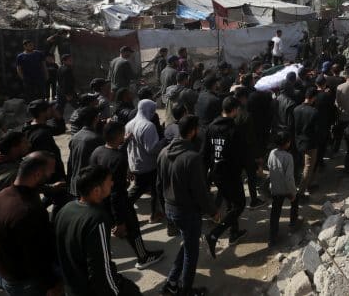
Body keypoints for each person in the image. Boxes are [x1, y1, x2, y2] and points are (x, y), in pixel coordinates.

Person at [156, 116, 219, 296]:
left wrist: (165, 209)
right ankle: (185, 290)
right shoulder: (192, 158)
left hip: (171, 208)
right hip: (187, 212)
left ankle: (171, 282)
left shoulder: (163, 153)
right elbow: (200, 191)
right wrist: (213, 211)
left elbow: (158, 185)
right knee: (192, 254)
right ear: (192, 131)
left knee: (187, 244)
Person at [55, 165, 142, 296]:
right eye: (109, 182)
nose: (112, 184)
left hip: (72, 286)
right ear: (96, 191)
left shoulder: (65, 209)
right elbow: (100, 269)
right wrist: (117, 292)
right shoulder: (97, 219)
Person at [0, 151, 63, 296]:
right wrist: (51, 285)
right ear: (37, 174)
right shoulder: (27, 211)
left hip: (5, 272)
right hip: (26, 283)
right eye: (50, 170)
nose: (53, 173)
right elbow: (36, 256)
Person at [90, 120, 163, 270]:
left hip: (101, 202)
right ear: (118, 136)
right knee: (133, 229)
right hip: (119, 203)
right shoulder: (118, 159)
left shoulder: (98, 151)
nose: (125, 135)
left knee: (127, 230)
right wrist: (119, 221)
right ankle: (143, 257)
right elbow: (116, 194)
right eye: (123, 134)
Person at [203, 97, 248, 258]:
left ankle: (234, 233)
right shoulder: (234, 130)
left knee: (230, 203)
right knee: (240, 205)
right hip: (230, 175)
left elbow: (205, 153)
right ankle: (214, 234)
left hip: (216, 174)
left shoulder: (210, 128)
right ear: (234, 110)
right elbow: (239, 156)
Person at [22, 100, 70, 212]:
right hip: (49, 173)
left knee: (50, 196)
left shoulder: (32, 127)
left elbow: (58, 130)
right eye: (49, 109)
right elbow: (47, 159)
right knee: (60, 200)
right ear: (42, 112)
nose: (52, 110)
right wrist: (56, 176)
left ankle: (36, 212)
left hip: (43, 172)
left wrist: (57, 117)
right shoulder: (41, 134)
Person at [125, 99, 163, 223]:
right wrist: (165, 142)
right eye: (152, 111)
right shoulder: (148, 126)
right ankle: (120, 211)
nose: (153, 113)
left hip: (135, 163)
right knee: (140, 189)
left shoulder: (129, 124)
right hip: (148, 165)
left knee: (152, 189)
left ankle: (154, 213)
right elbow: (152, 149)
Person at [267, 131, 298, 248]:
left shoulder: (272, 153)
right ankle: (293, 224)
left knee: (275, 213)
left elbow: (269, 168)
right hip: (286, 189)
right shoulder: (288, 157)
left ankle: (272, 238)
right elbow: (289, 178)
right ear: (287, 144)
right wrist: (293, 192)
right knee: (295, 201)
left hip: (275, 188)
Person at [67, 107, 104, 198]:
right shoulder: (96, 139)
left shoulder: (75, 137)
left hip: (76, 183)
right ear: (95, 118)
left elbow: (70, 163)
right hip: (89, 186)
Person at [293, 87, 319, 198]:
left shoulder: (296, 109)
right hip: (310, 143)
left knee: (302, 165)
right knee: (308, 167)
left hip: (298, 141)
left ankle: (305, 184)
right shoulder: (314, 112)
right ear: (314, 98)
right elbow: (317, 130)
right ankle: (301, 192)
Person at [314, 75, 336, 169]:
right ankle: (320, 162)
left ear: (316, 84)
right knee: (322, 144)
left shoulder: (311, 93)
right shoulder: (327, 95)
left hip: (313, 123)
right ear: (325, 84)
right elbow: (332, 108)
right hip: (324, 123)